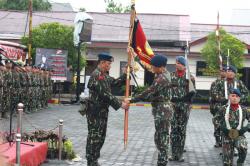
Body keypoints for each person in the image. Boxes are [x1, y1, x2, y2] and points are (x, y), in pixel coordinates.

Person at [85, 53, 129, 166]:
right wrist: (120, 104)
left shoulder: (104, 75)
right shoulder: (97, 75)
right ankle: (91, 161)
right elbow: (105, 94)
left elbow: (115, 82)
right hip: (95, 112)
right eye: (108, 64)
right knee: (94, 137)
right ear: (102, 63)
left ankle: (94, 160)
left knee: (101, 137)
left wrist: (126, 74)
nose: (109, 66)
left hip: (102, 112)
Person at [131, 54, 173, 166]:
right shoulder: (164, 75)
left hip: (163, 110)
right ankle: (162, 159)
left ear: (160, 67)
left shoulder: (162, 78)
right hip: (162, 109)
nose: (152, 68)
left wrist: (132, 100)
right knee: (160, 136)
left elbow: (149, 91)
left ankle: (162, 161)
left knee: (162, 136)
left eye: (153, 66)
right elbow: (154, 93)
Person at [169, 56, 196, 162]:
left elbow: (193, 92)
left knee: (181, 130)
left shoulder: (190, 77)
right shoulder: (171, 76)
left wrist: (183, 99)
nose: (177, 65)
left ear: (184, 65)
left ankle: (179, 154)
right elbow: (167, 90)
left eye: (179, 63)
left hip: (184, 107)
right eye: (176, 63)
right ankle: (173, 153)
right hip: (173, 106)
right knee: (173, 130)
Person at [220, 88, 250, 166]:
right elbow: (216, 119)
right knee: (227, 162)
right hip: (227, 136)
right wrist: (222, 128)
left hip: (239, 135)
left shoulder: (244, 109)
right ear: (229, 97)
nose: (234, 98)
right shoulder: (224, 108)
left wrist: (246, 128)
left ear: (239, 98)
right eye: (232, 96)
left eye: (237, 96)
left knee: (243, 147)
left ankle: (240, 163)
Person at [209, 66, 227, 147]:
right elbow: (211, 96)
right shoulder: (215, 83)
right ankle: (217, 140)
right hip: (217, 107)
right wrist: (212, 108)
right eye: (221, 71)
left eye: (224, 71)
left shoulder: (230, 83)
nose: (222, 72)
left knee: (226, 124)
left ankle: (225, 140)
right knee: (217, 124)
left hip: (227, 107)